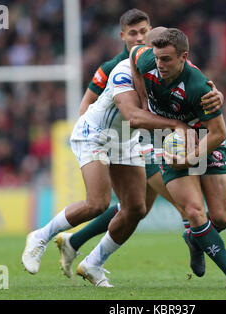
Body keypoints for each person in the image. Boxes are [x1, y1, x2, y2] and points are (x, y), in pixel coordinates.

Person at [55, 10, 226, 282]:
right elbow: (92, 106)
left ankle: (78, 244)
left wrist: (214, 96)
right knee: (169, 208)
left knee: (143, 208)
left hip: (178, 135)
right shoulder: (111, 66)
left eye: (144, 33)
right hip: (141, 138)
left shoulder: (166, 62)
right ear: (123, 36)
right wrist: (138, 102)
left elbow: (212, 121)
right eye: (134, 34)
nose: (140, 40)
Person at [22, 27, 195, 281]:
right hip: (96, 134)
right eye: (153, 54)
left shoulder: (166, 73)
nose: (157, 60)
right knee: (97, 203)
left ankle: (93, 264)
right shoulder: (123, 71)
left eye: (161, 55)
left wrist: (215, 95)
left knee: (136, 208)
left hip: (125, 142)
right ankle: (40, 236)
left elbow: (195, 86)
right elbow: (133, 116)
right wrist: (176, 126)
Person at [129, 28, 226, 289]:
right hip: (168, 139)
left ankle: (194, 239)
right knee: (195, 211)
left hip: (205, 137)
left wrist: (190, 159)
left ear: (184, 57)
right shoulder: (147, 59)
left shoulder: (199, 87)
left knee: (220, 218)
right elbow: (133, 55)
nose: (159, 64)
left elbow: (219, 133)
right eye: (158, 58)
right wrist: (142, 99)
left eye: (167, 60)